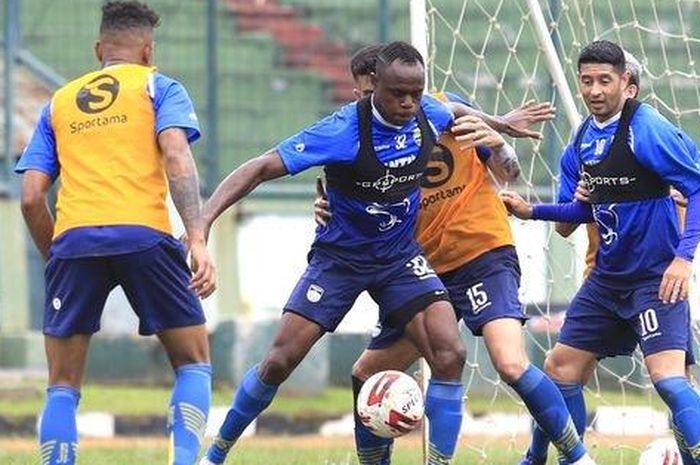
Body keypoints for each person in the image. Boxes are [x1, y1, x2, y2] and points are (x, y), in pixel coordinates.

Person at [312, 44, 597, 465]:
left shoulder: (447, 111)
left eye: (373, 91)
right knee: (366, 372)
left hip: (482, 252)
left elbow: (509, 172)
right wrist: (329, 210)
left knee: (510, 363)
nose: (368, 102)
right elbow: (352, 200)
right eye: (361, 94)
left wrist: (499, 143)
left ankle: (577, 459)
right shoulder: (358, 136)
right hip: (421, 269)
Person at [200, 41, 476, 465]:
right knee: (280, 361)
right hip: (340, 261)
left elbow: (456, 111)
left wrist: (503, 123)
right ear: (374, 88)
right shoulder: (341, 130)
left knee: (450, 353)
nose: (407, 103)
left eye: (415, 93)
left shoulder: (430, 114)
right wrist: (201, 224)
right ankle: (214, 454)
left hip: (399, 258)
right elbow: (258, 167)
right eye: (397, 93)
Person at [15, 2, 216, 464]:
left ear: (98, 49)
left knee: (62, 385)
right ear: (148, 50)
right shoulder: (158, 86)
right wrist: (197, 237)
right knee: (193, 361)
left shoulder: (58, 102)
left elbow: (30, 196)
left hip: (74, 240)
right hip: (144, 234)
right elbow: (176, 155)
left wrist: (58, 256)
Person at [500, 40, 700, 465]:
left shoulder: (647, 129)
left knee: (668, 379)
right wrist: (530, 210)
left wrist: (684, 258)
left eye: (604, 80)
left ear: (627, 85)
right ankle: (538, 459)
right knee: (559, 371)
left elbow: (697, 187)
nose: (594, 90)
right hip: (606, 280)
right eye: (586, 81)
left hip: (654, 279)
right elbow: (570, 221)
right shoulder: (582, 141)